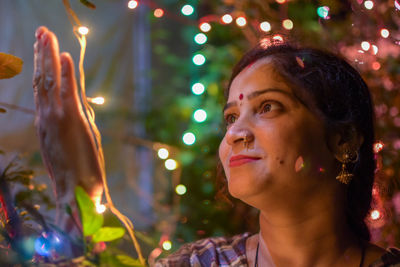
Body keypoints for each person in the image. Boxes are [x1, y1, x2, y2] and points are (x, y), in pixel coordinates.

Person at [33, 26, 400, 266]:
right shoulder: (200, 263)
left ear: (343, 141)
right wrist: (80, 190)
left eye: (267, 107)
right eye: (231, 117)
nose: (236, 134)